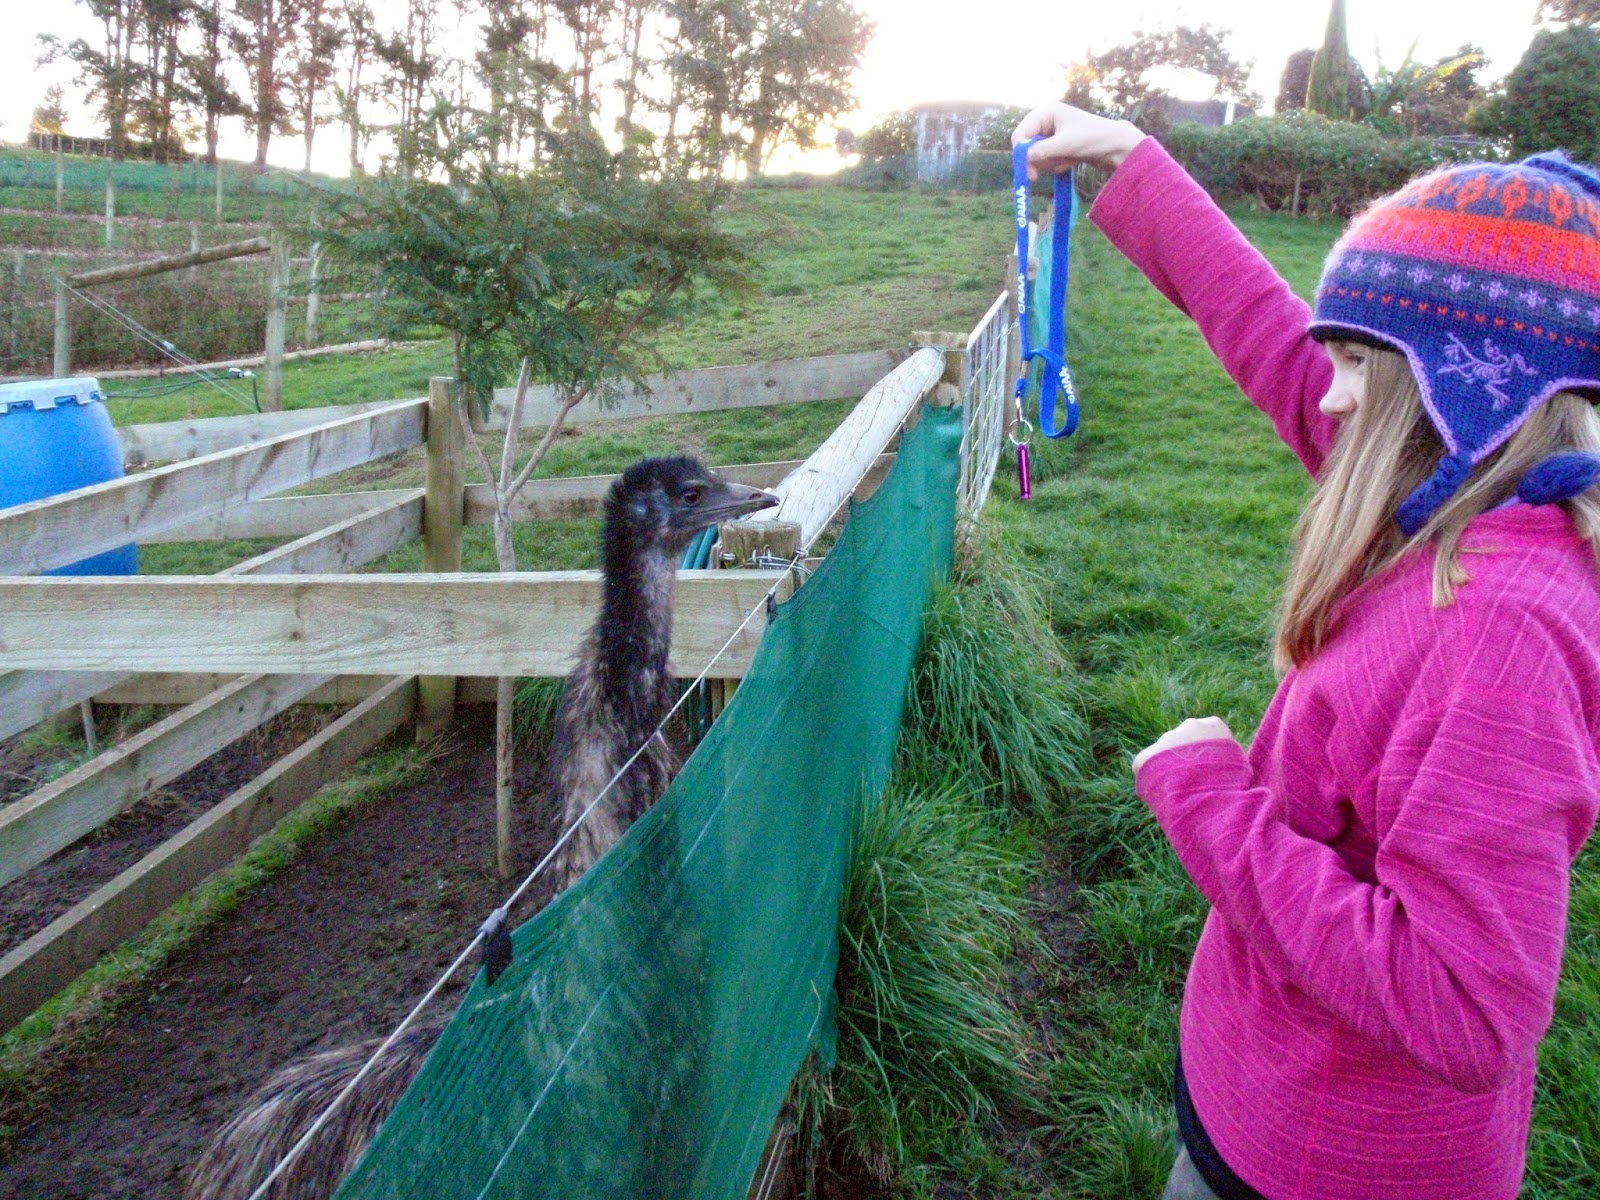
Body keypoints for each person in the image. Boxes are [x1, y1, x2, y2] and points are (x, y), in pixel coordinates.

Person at [1012, 103, 1600, 1200]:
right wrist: (1129, 160)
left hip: (1320, 1161)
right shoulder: (1440, 503)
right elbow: (1269, 339)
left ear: (1463, 382)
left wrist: (1208, 799)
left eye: (1353, 363)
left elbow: (1466, 1009)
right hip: (1267, 1090)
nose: (1322, 393)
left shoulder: (1499, 634)